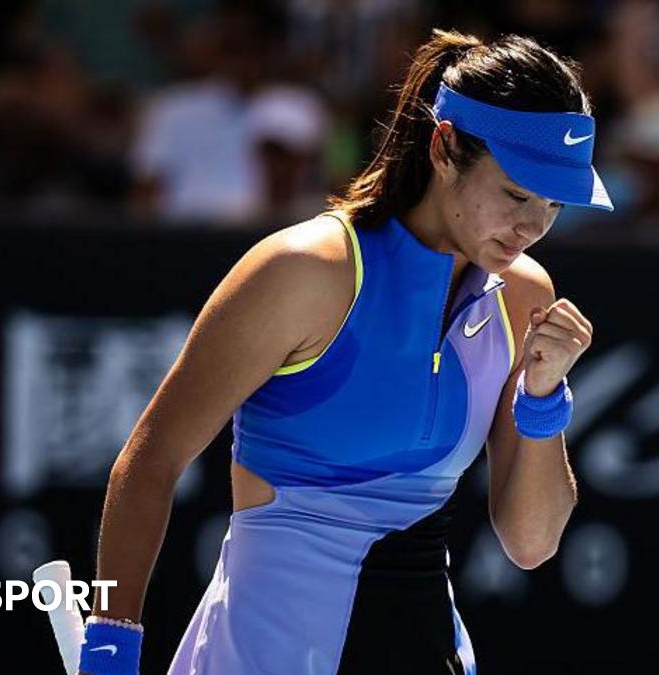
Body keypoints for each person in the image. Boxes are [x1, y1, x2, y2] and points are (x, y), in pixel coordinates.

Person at [79, 28, 613, 675]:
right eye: (517, 194)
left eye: (554, 202)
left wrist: (543, 397)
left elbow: (531, 541)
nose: (532, 227)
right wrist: (111, 649)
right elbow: (150, 461)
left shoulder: (523, 292)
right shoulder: (302, 271)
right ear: (444, 148)